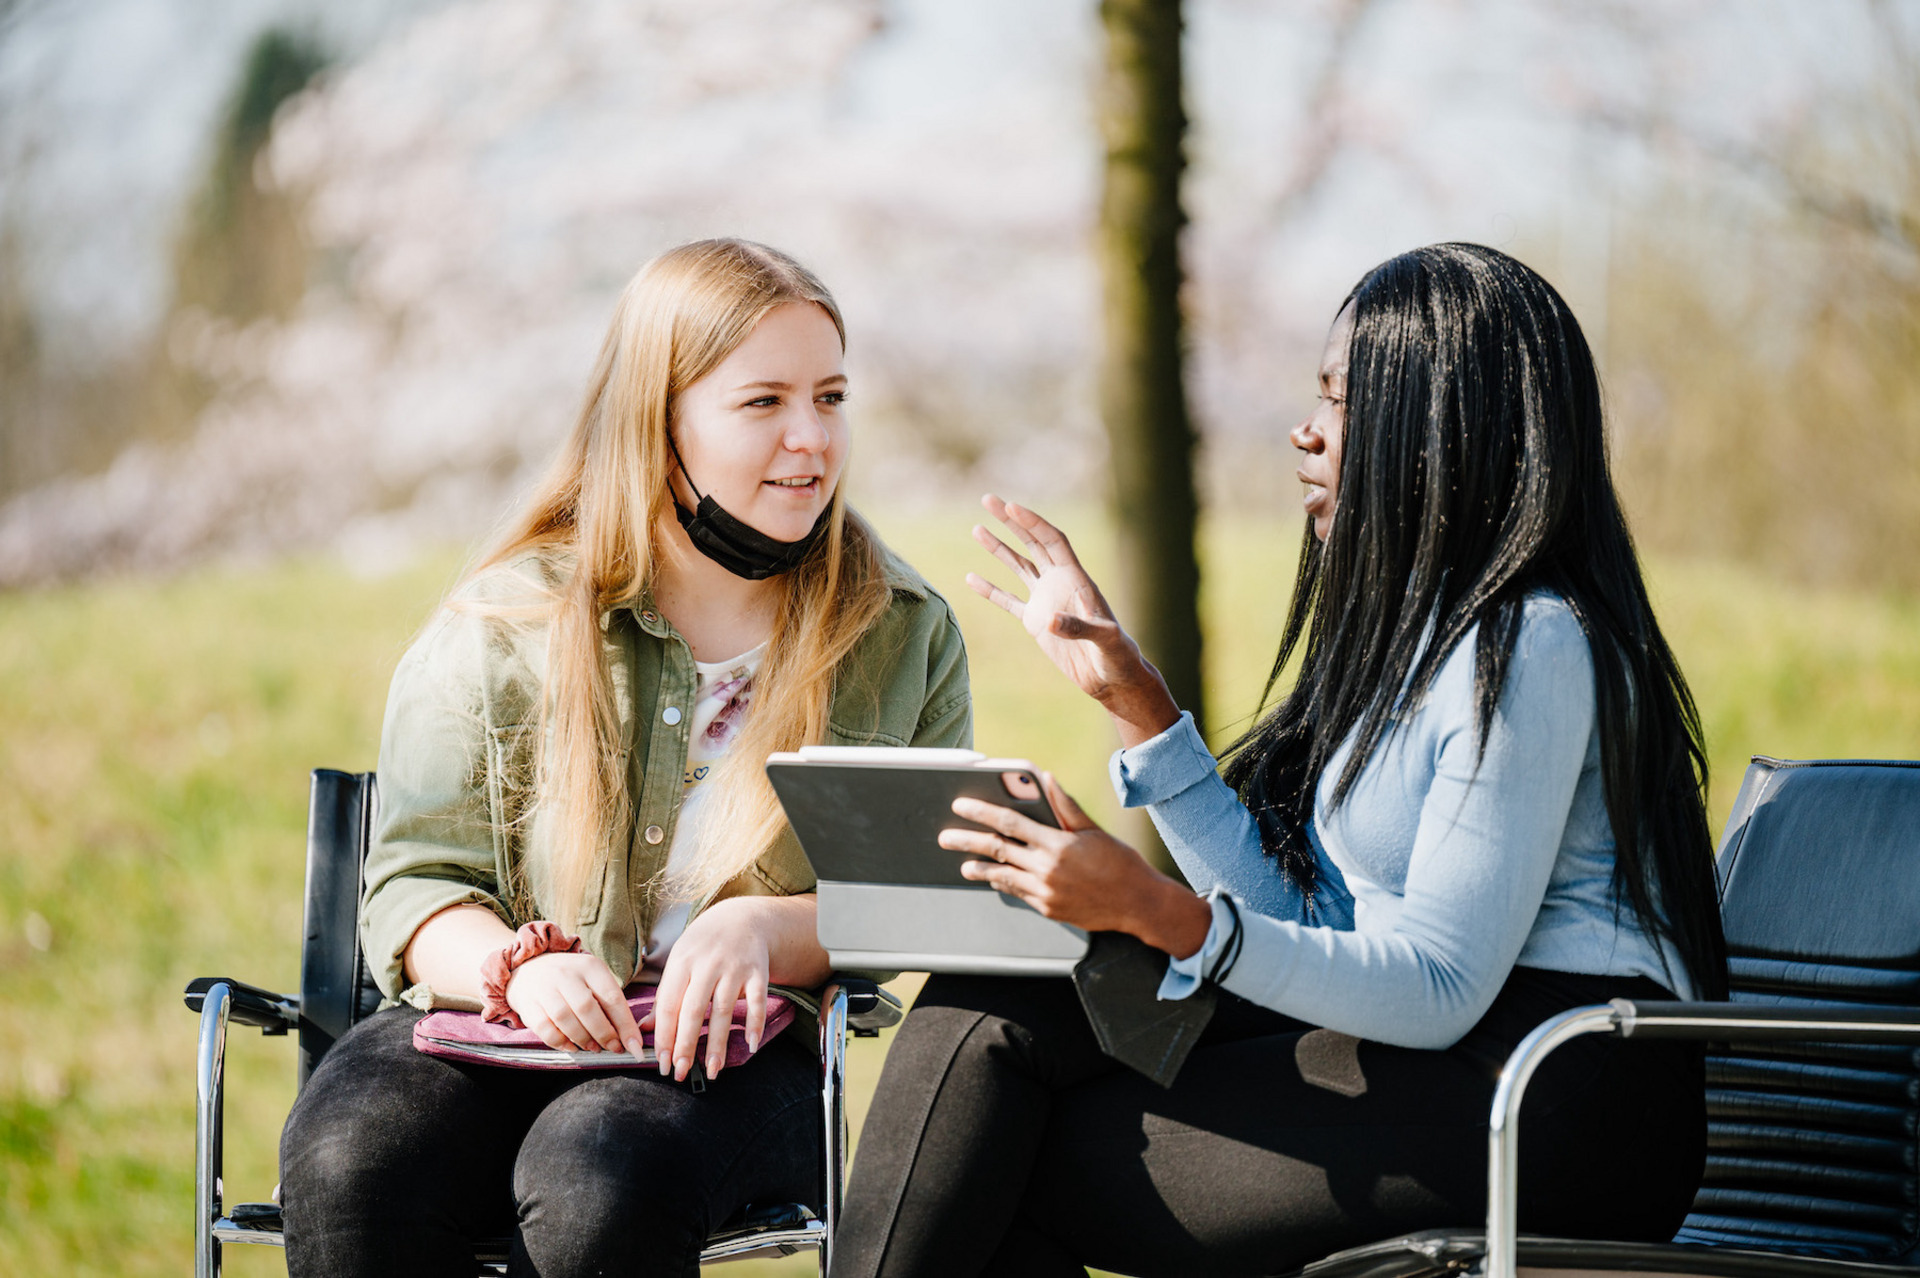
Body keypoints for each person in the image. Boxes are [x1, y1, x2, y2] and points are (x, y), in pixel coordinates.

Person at [831, 243, 1727, 1278]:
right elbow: (1308, 934)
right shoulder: (1419, 645)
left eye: (1342, 402)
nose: (1304, 431)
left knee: (1012, 1159)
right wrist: (1140, 709)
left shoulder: (1532, 643)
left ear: (1444, 431)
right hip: (1435, 1055)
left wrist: (1151, 909)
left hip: (1551, 1093)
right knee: (998, 1008)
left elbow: (1440, 983)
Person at [277, 238, 972, 1278]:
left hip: (734, 1059)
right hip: (491, 1024)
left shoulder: (902, 634)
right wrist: (519, 969)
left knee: (603, 1167)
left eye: (830, 397)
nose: (811, 438)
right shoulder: (506, 621)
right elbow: (419, 885)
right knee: (351, 1158)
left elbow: (915, 895)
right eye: (763, 402)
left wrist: (767, 927)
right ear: (662, 420)